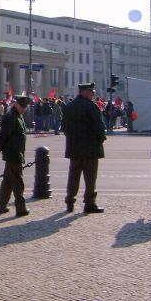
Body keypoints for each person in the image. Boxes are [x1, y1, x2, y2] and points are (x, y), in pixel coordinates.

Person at [63, 82, 107, 213]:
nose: (93, 94)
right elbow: (99, 127)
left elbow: (64, 128)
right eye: (91, 92)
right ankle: (89, 203)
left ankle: (70, 201)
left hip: (74, 149)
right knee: (90, 178)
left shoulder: (69, 107)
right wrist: (101, 139)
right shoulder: (91, 106)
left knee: (73, 176)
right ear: (85, 92)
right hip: (90, 149)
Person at [0, 95, 31, 217]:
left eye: (25, 107)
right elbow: (4, 134)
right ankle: (21, 208)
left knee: (8, 181)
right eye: (22, 106)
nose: (24, 109)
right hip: (13, 153)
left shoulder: (18, 116)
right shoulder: (11, 117)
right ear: (16, 104)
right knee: (17, 182)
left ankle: (1, 206)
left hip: (16, 152)